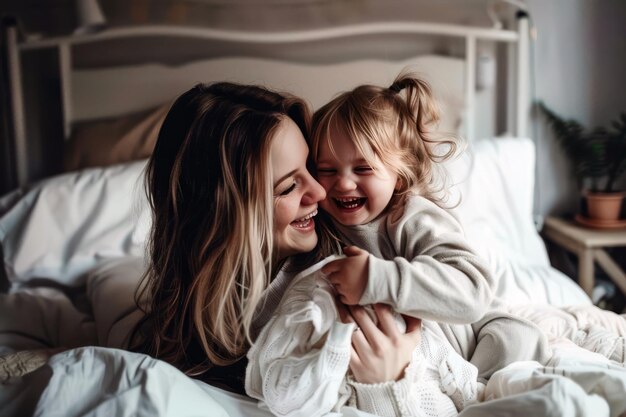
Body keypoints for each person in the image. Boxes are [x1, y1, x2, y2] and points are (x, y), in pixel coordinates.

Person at [130, 82, 423, 397]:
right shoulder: (186, 336)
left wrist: (390, 378)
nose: (321, 191)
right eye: (288, 187)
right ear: (222, 217)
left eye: (312, 167)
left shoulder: (359, 255)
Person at [308, 72, 552, 384]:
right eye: (326, 170)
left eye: (363, 168)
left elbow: (473, 290)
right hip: (414, 357)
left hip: (476, 338)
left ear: (399, 174)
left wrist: (377, 277)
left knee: (517, 338)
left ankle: (479, 392)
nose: (342, 183)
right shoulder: (322, 224)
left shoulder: (411, 218)